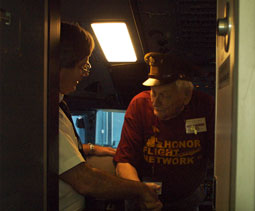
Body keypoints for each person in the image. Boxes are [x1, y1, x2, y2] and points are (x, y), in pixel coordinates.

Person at [58, 22, 162, 211]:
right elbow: (85, 181)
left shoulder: (55, 107)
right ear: (58, 66)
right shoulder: (42, 116)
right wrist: (140, 189)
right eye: (82, 66)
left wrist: (89, 148)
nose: (85, 74)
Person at [114, 52, 215, 211]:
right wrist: (141, 192)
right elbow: (124, 162)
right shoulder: (139, 104)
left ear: (186, 96)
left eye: (164, 95)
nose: (155, 101)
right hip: (141, 197)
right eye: (153, 92)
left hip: (187, 199)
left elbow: (219, 156)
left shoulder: (204, 106)